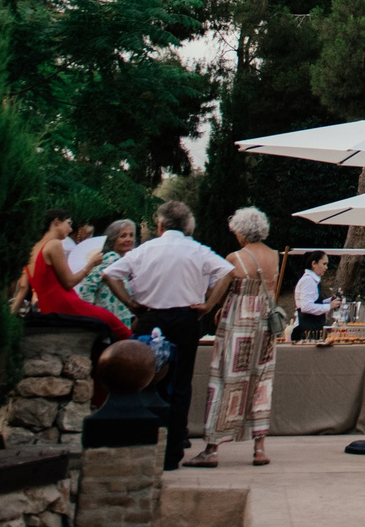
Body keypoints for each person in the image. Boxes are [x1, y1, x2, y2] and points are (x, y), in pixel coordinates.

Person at [103, 201, 236, 469]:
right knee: (180, 385)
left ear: (160, 225)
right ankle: (173, 450)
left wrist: (130, 303)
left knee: (143, 379)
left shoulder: (144, 250)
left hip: (149, 316)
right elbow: (227, 271)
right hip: (185, 319)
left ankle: (144, 442)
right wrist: (208, 306)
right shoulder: (197, 250)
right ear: (187, 226)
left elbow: (110, 274)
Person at [190, 206, 284, 469]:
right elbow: (272, 290)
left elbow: (220, 289)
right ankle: (259, 448)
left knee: (226, 379)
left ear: (242, 231)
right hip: (265, 322)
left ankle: (211, 449)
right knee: (261, 380)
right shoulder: (274, 255)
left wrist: (208, 308)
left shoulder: (236, 257)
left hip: (239, 321)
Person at [25, 208, 132, 339]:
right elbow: (69, 282)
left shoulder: (33, 248)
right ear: (56, 222)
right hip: (66, 304)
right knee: (114, 323)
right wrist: (91, 264)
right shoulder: (54, 245)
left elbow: (26, 286)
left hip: (47, 306)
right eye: (69, 223)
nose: (70, 230)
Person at [81, 220, 141, 329]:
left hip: (119, 320)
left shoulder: (126, 261)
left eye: (131, 235)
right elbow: (88, 285)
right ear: (113, 240)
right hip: (109, 321)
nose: (128, 239)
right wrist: (89, 312)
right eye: (123, 236)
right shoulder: (112, 258)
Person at [293, 249, 334, 342]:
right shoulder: (308, 281)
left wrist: (330, 300)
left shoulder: (313, 281)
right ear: (314, 264)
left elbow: (315, 301)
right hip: (306, 331)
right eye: (324, 264)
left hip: (313, 330)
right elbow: (306, 307)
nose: (326, 267)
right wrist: (329, 306)